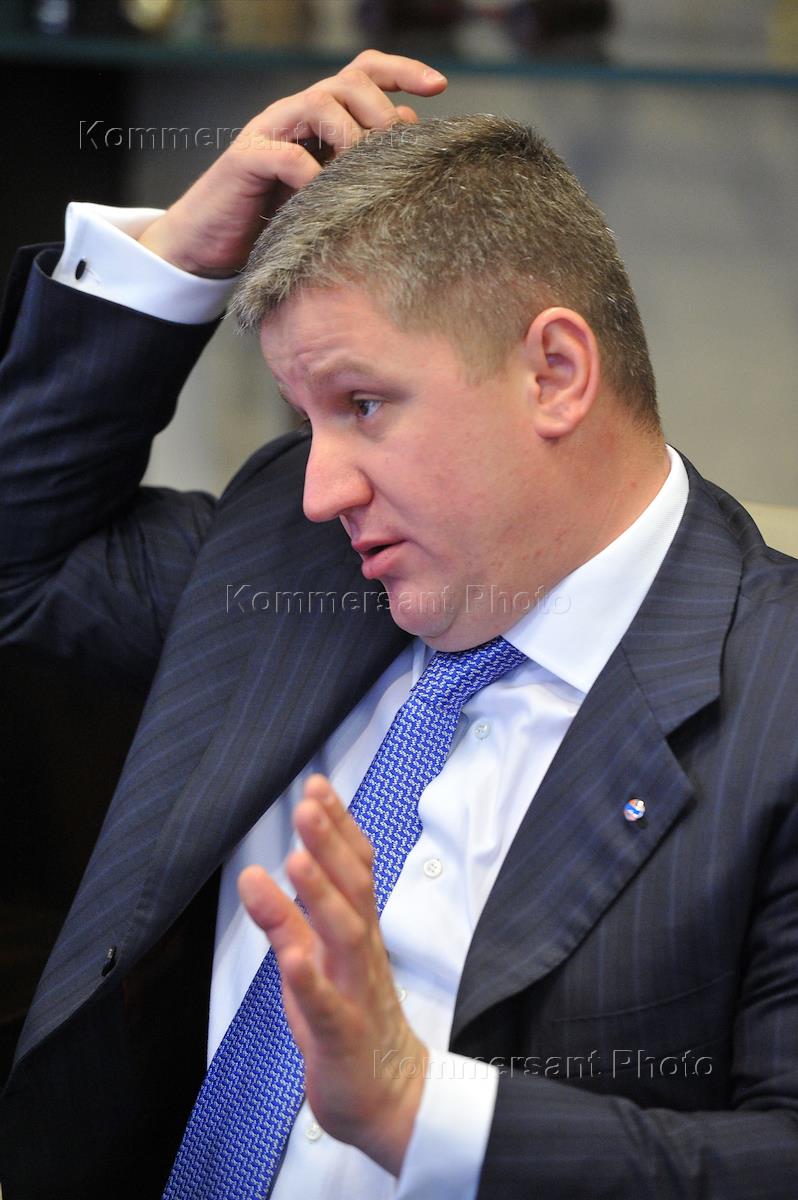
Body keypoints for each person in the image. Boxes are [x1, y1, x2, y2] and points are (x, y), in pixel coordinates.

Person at [1, 48, 797, 1200]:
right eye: (307, 418)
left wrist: (419, 1111)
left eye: (365, 404)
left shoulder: (775, 698)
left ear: (555, 372)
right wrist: (172, 259)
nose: (321, 487)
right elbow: (21, 565)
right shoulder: (293, 556)